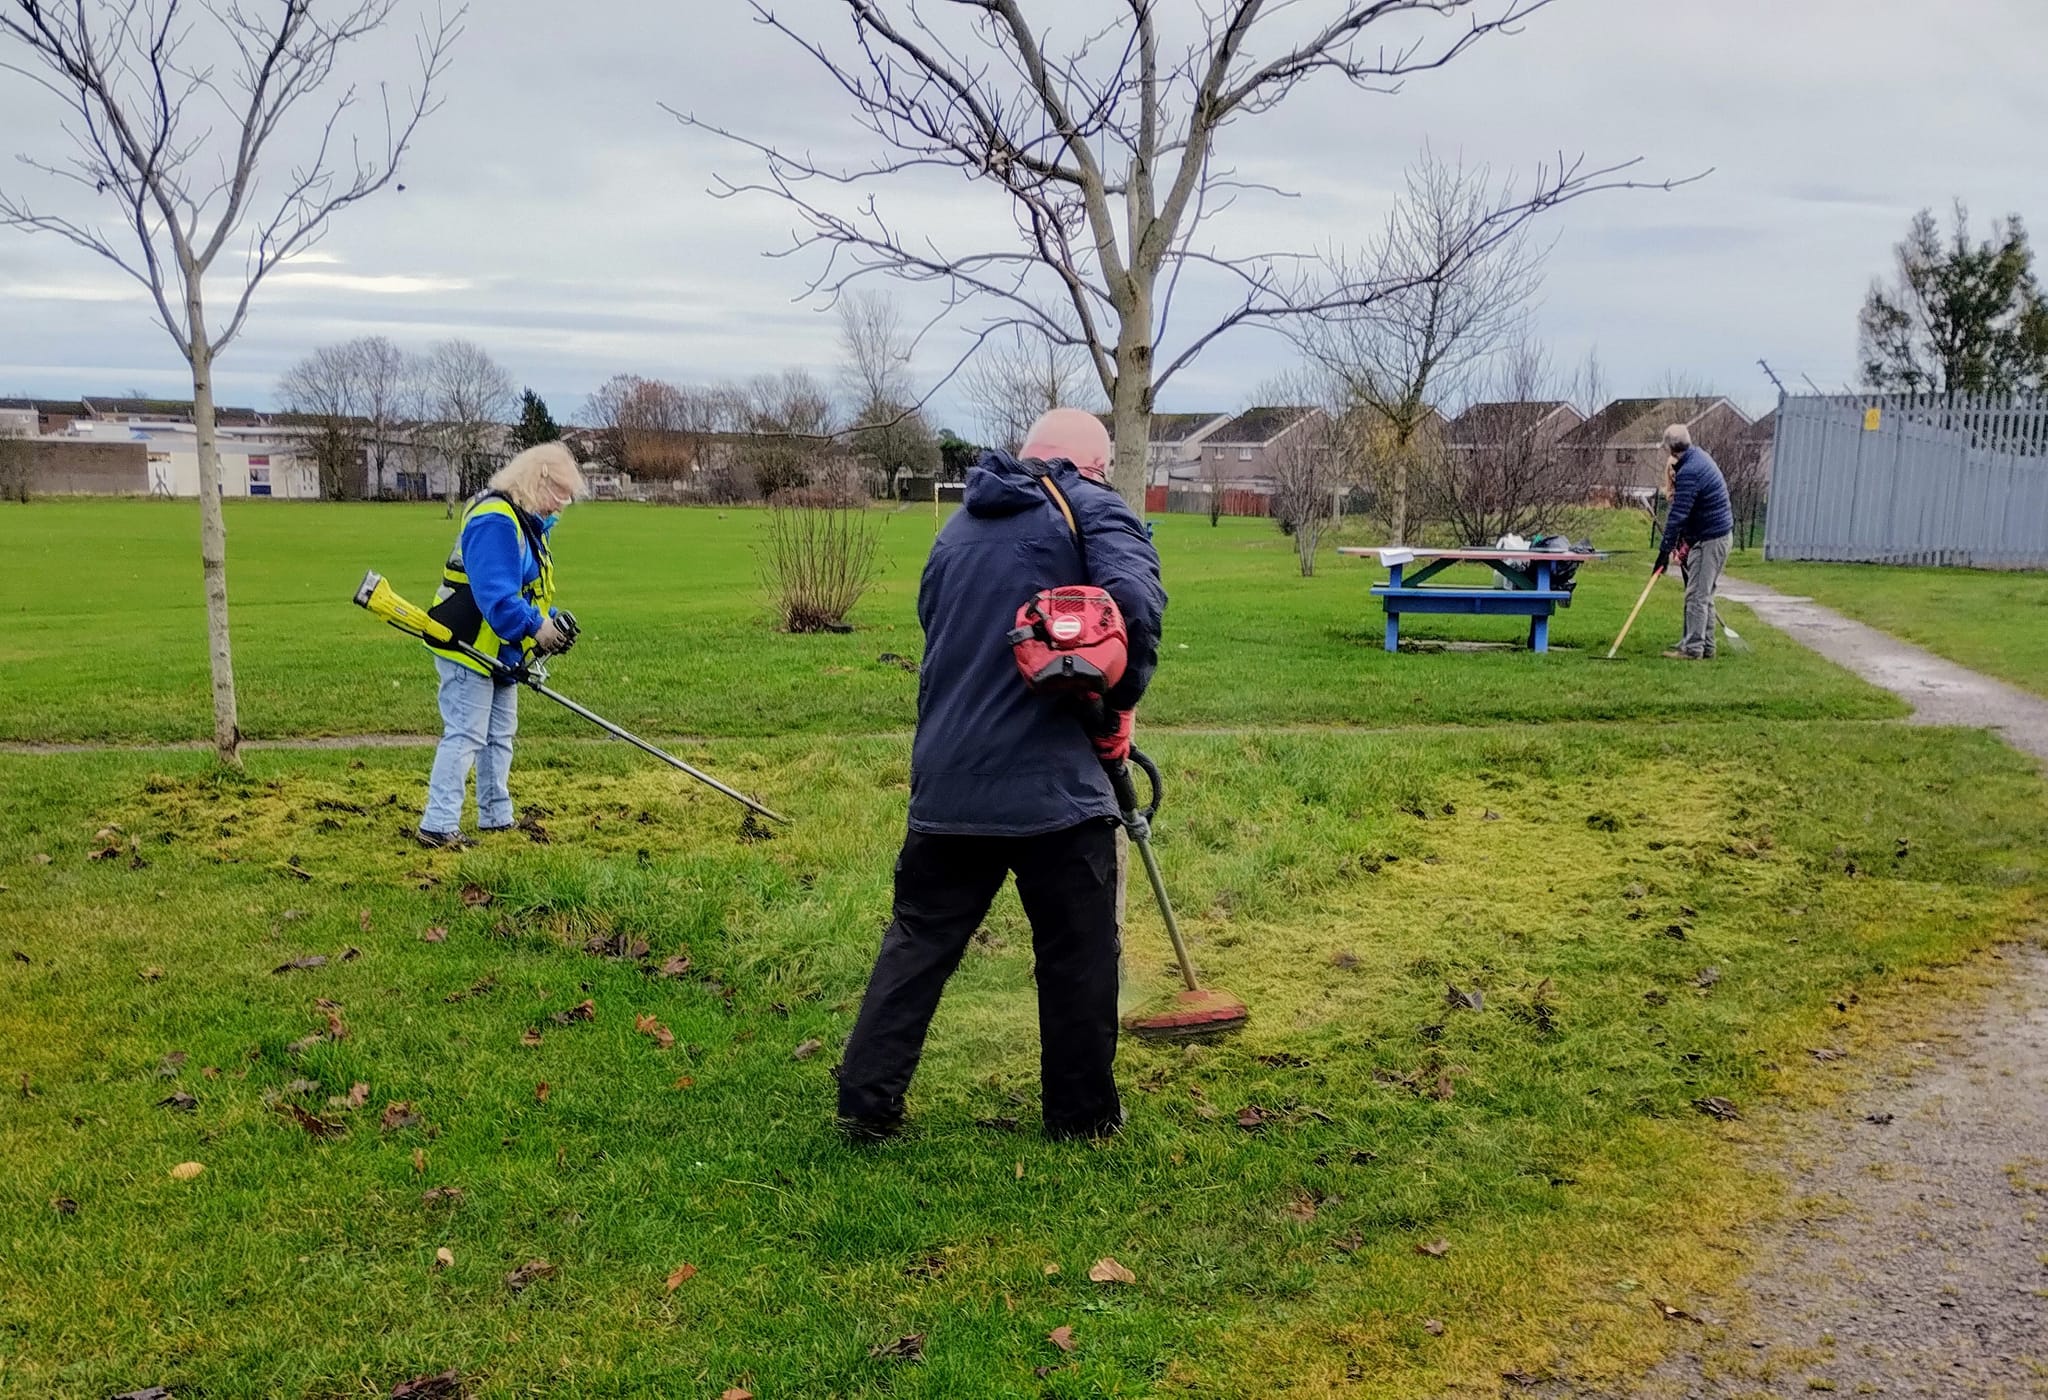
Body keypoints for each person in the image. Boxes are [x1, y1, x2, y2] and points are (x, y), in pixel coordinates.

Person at [836, 408, 1167, 1142]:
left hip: (948, 778)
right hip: (1056, 789)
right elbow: (1137, 607)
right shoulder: (1089, 505)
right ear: (1093, 466)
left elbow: (937, 631)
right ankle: (1081, 1118)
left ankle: (866, 1102)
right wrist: (1121, 702)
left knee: (918, 939)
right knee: (1076, 952)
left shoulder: (957, 528)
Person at [416, 443, 584, 848]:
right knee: (466, 734)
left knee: (499, 735)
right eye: (559, 495)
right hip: (469, 644)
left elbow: (528, 592)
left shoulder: (527, 524)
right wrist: (536, 627)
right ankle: (437, 825)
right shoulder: (495, 521)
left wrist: (549, 622)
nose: (559, 508)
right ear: (536, 478)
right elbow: (498, 599)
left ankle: (495, 815)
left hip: (501, 652)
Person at [1654, 424, 1734, 661]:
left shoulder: (1690, 470)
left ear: (1670, 448)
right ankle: (1706, 646)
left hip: (1711, 538)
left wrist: (1663, 551)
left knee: (1697, 594)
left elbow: (1679, 515)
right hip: (1712, 535)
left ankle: (1693, 648)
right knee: (1704, 593)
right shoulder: (1698, 457)